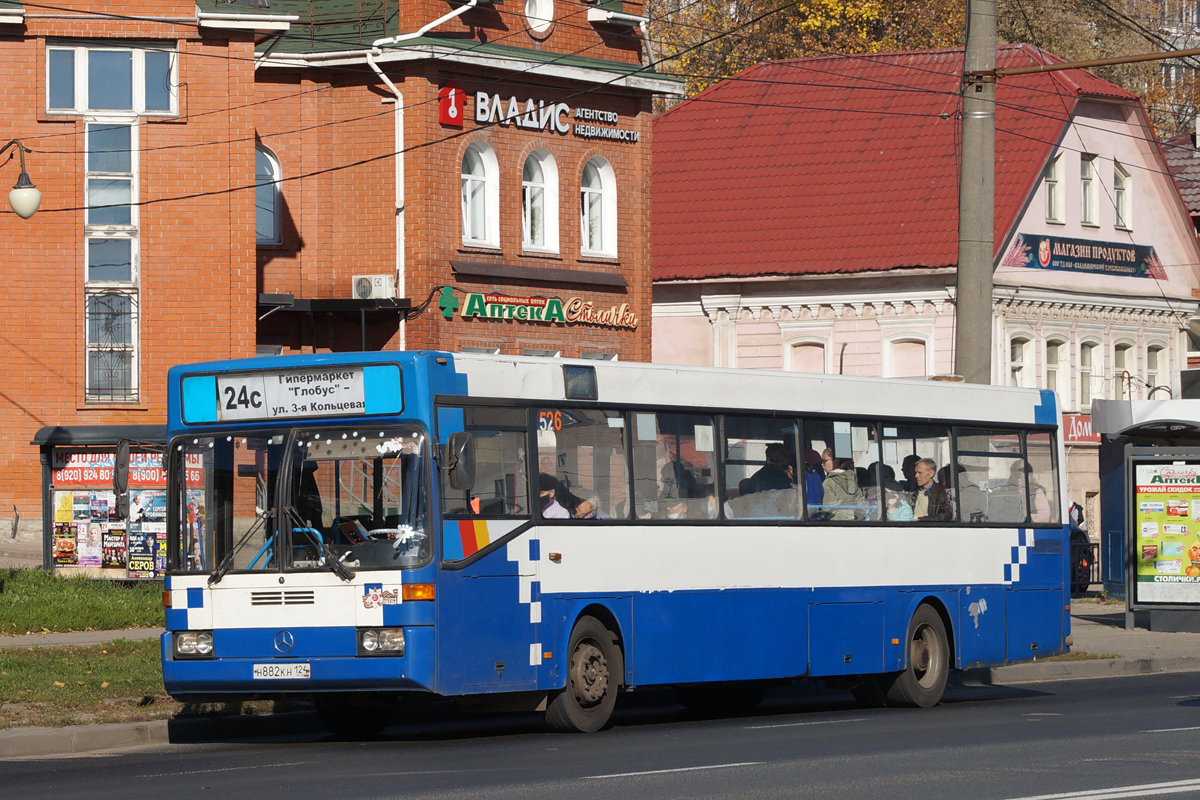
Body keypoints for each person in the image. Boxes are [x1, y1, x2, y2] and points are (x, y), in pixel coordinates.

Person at [821, 450, 865, 521]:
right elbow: (862, 508)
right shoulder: (853, 479)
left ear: (836, 461)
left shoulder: (829, 482)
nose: (822, 464)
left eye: (824, 461)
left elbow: (827, 510)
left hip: (836, 524)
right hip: (855, 523)